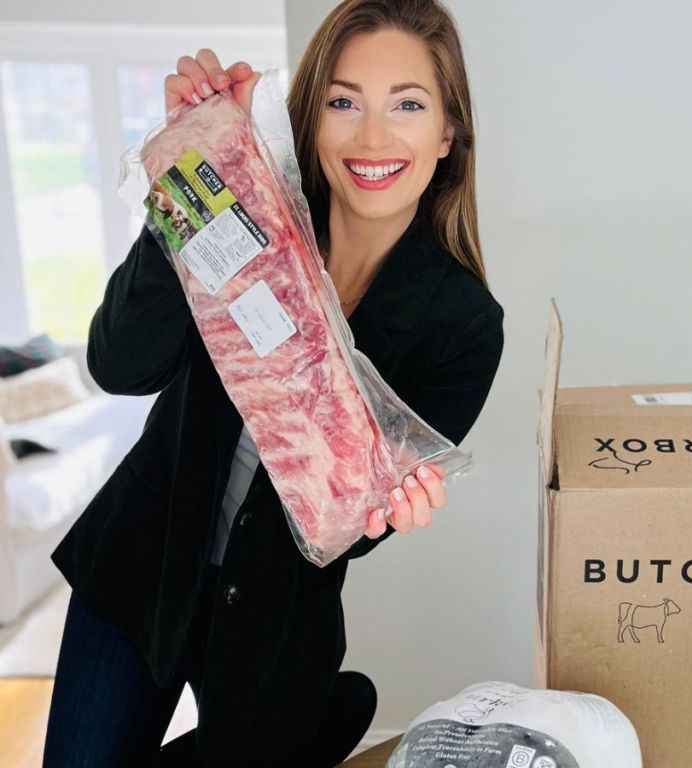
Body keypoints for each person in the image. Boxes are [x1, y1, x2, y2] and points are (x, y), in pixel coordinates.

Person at [42, 0, 504, 765]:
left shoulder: (461, 324)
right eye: (344, 102)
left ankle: (327, 714)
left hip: (271, 623)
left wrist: (381, 509)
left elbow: (335, 537)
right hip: (139, 567)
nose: (374, 137)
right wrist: (190, 174)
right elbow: (120, 366)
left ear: (448, 134)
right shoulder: (251, 211)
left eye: (409, 105)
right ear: (312, 118)